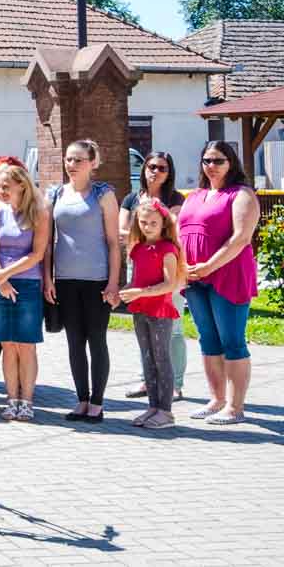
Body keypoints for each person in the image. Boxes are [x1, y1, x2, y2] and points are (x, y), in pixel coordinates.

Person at [180, 140, 262, 424]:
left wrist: (208, 266)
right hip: (194, 277)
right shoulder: (195, 195)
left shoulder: (242, 194)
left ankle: (236, 407)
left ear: (231, 163)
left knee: (232, 341)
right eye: (207, 161)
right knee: (209, 340)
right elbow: (181, 233)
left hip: (227, 275)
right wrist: (183, 267)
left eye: (218, 161)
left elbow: (240, 238)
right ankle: (216, 400)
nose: (211, 166)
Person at [45, 138, 121, 423]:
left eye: (78, 159)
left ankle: (98, 403)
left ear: (93, 163)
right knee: (74, 341)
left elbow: (114, 243)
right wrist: (47, 279)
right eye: (68, 159)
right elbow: (49, 243)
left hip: (97, 280)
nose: (72, 165)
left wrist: (113, 283)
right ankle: (81, 400)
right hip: (65, 279)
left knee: (96, 340)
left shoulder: (103, 194)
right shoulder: (55, 193)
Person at [0, 163, 49, 422]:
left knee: (26, 346)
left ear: (22, 185)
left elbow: (38, 253)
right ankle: (11, 399)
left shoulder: (39, 213)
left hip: (27, 285)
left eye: (6, 186)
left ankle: (27, 401)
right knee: (8, 345)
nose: (1, 191)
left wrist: (7, 274)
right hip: (0, 284)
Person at [121, 152, 188, 401]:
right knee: (145, 332)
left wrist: (141, 230)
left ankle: (174, 385)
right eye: (151, 166)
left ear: (169, 173)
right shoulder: (131, 198)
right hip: (139, 263)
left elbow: (173, 228)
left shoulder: (175, 198)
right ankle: (146, 381)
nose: (155, 171)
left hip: (167, 265)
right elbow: (122, 229)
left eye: (162, 168)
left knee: (174, 330)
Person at [120, 198, 186, 430]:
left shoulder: (168, 249)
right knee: (147, 358)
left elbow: (170, 284)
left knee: (161, 358)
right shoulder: (137, 248)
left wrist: (142, 292)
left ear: (164, 224)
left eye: (153, 223)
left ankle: (166, 412)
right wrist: (122, 292)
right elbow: (135, 280)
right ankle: (153, 407)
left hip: (160, 309)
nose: (148, 226)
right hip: (140, 308)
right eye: (143, 222)